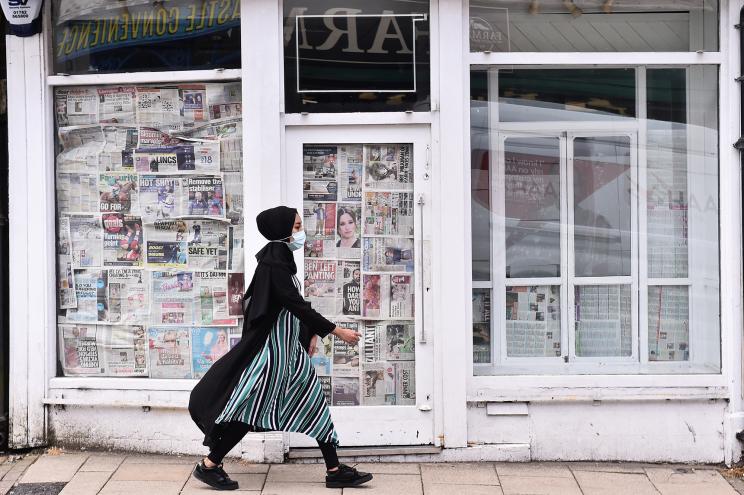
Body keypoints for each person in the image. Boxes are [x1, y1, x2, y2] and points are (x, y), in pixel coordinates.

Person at [188, 206, 373, 490]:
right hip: (273, 354)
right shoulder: (274, 264)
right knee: (250, 410)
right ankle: (209, 465)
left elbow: (293, 306)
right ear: (282, 230)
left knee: (314, 404)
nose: (301, 232)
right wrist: (336, 331)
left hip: (289, 353)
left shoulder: (280, 260)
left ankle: (335, 469)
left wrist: (310, 333)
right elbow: (294, 304)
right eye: (297, 227)